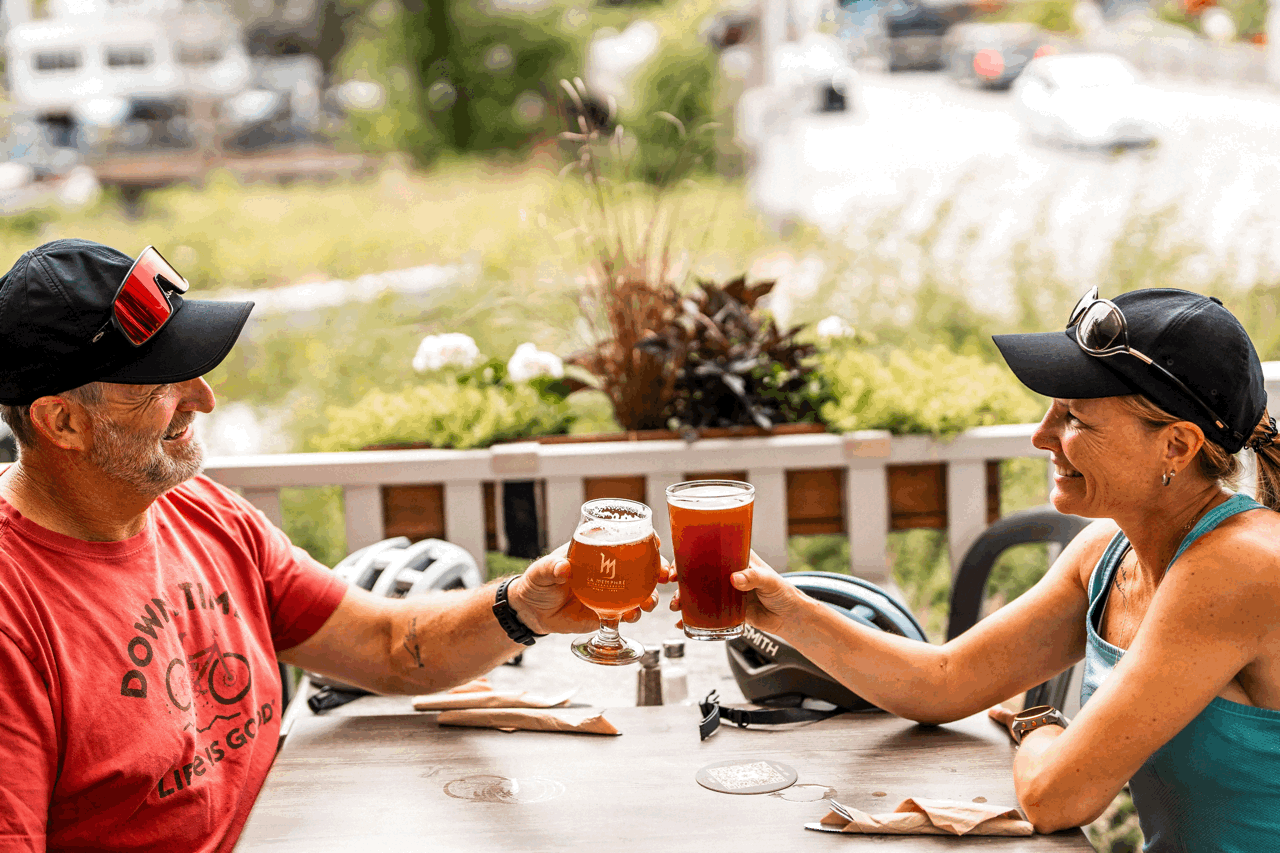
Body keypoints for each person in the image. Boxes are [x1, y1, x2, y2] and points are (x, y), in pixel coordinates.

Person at [0, 239, 664, 852]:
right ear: (62, 421)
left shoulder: (203, 513)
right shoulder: (13, 614)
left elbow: (387, 645)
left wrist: (527, 606)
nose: (203, 397)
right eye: (164, 382)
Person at [686, 287, 1280, 846]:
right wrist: (784, 612)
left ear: (1176, 445)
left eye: (1075, 419)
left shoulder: (1239, 567)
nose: (1041, 436)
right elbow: (942, 682)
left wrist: (1036, 721)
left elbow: (1054, 797)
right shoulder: (1109, 552)